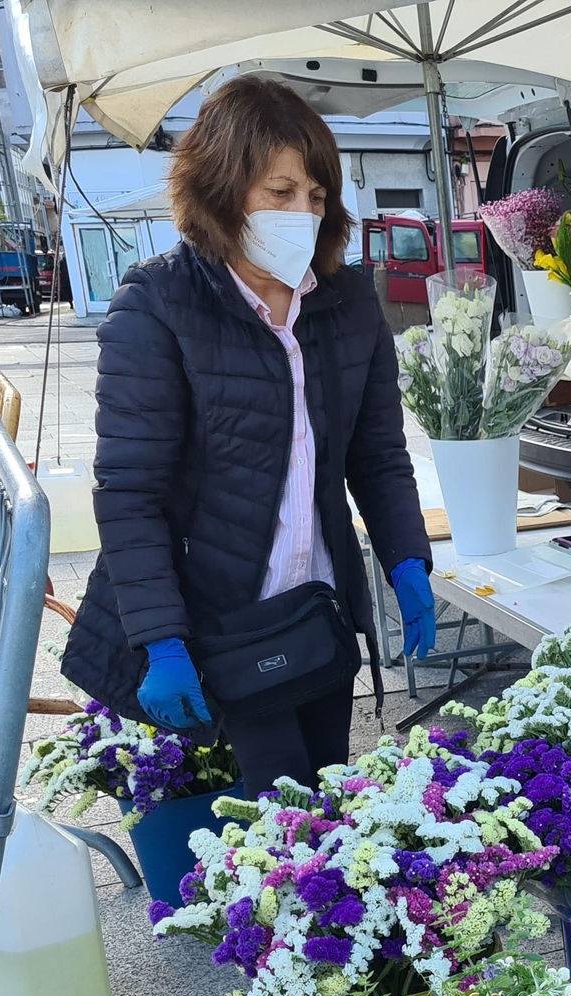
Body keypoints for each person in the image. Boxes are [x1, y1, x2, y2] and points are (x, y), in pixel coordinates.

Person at [61, 76, 438, 795]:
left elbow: (378, 456)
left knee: (329, 796)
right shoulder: (159, 306)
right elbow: (130, 492)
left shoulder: (348, 302)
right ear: (224, 191)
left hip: (316, 610)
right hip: (220, 620)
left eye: (317, 196)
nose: (302, 212)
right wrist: (162, 639)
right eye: (280, 192)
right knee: (278, 818)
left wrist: (406, 560)